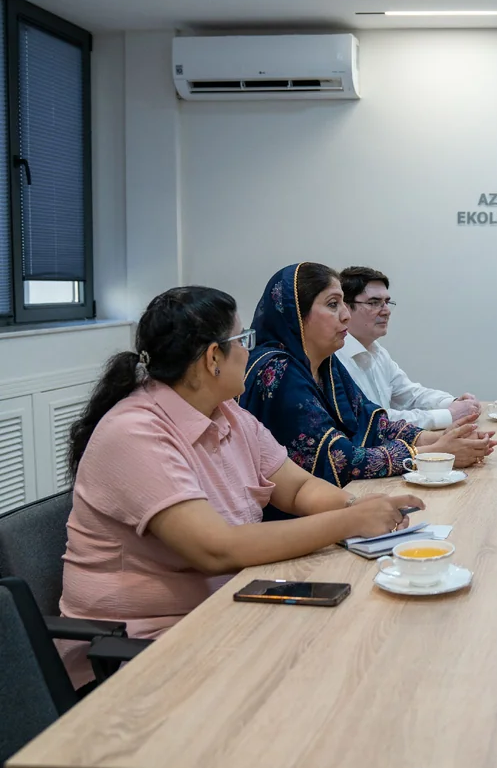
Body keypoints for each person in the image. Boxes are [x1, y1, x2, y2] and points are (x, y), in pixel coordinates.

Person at [59, 286, 423, 686]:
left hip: (225, 613)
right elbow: (217, 549)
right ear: (214, 357)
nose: (249, 351)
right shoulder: (135, 432)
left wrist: (358, 507)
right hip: (143, 650)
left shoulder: (228, 414)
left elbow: (298, 489)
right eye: (242, 340)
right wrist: (350, 522)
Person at [240, 263, 494, 494]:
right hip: (291, 520)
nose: (345, 316)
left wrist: (440, 438)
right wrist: (432, 453)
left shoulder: (327, 363)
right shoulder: (278, 370)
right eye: (332, 304)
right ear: (297, 313)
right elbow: (337, 461)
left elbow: (373, 422)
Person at [336, 266, 480, 430]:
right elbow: (375, 421)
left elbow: (410, 395)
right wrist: (448, 415)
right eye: (374, 303)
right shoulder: (335, 359)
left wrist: (453, 403)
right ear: (345, 308)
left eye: (387, 302)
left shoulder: (377, 351)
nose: (386, 311)